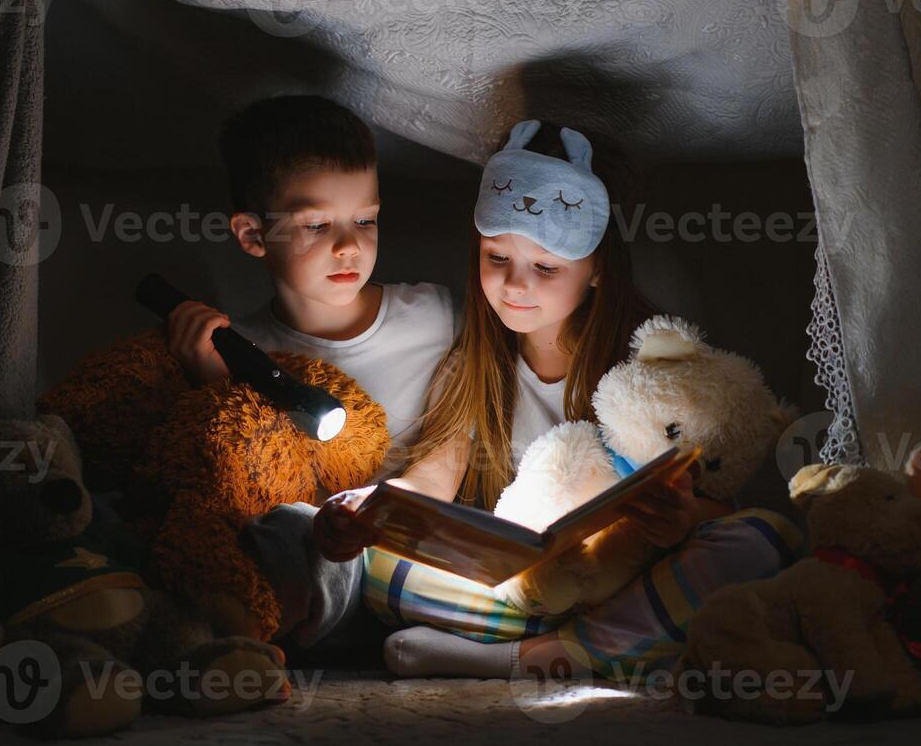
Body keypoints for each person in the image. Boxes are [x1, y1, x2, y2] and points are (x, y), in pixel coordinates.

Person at [312, 119, 801, 681]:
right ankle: (595, 647)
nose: (515, 286)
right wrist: (365, 510)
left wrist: (682, 522)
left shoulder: (651, 367)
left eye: (545, 268)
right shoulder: (473, 366)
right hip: (531, 592)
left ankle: (530, 657)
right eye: (497, 259)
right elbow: (428, 481)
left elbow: (716, 506)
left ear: (595, 270)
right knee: (374, 565)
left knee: (765, 539)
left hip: (630, 577)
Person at [166, 94, 456, 651]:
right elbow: (242, 483)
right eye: (317, 225)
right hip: (305, 575)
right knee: (279, 527)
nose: (349, 246)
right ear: (253, 236)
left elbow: (450, 448)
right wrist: (213, 385)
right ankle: (233, 644)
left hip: (406, 568)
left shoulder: (434, 318)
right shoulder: (241, 353)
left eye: (366, 220)